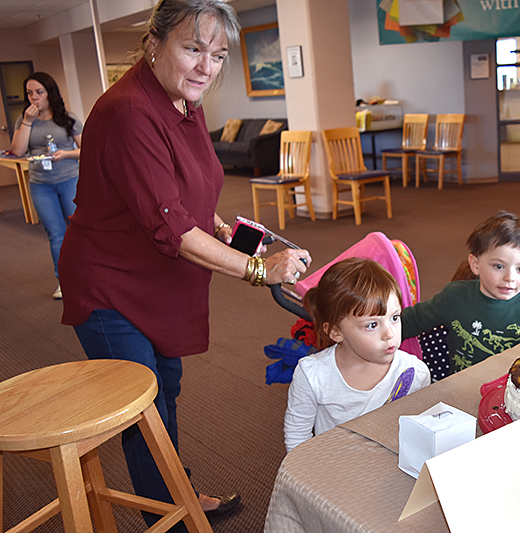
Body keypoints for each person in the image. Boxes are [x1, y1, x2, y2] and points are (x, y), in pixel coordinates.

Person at [59, 0, 311, 528]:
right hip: (110, 283)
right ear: (154, 44)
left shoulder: (183, 103)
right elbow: (172, 228)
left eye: (217, 55)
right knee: (143, 406)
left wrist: (218, 226)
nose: (206, 67)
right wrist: (263, 270)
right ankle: (170, 511)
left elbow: (183, 193)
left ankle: (174, 495)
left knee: (165, 388)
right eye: (193, 48)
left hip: (156, 279)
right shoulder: (130, 111)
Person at [284, 258, 431, 453]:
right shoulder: (312, 375)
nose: (390, 334)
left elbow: (419, 433)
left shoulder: (415, 372)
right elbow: (297, 437)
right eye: (372, 325)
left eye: (394, 318)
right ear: (336, 332)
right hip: (333, 466)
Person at [401, 211, 520, 375]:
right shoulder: (453, 296)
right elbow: (410, 321)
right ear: (475, 265)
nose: (510, 278)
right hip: (458, 389)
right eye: (498, 266)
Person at [9, 72, 82, 299]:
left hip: (69, 180)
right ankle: (63, 282)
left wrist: (66, 154)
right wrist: (28, 122)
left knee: (77, 231)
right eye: (29, 93)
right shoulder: (24, 120)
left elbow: (87, 149)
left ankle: (85, 278)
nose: (34, 98)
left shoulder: (68, 119)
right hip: (41, 185)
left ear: (50, 93)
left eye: (39, 92)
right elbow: (17, 151)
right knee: (56, 234)